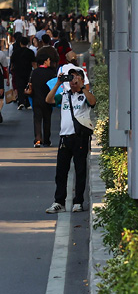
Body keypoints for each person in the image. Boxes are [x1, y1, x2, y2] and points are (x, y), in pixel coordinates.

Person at [45, 69, 96, 214]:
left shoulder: (85, 95)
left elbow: (93, 102)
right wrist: (58, 84)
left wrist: (82, 87)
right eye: (71, 78)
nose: (73, 81)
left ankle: (78, 201)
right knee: (61, 172)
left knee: (80, 171)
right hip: (65, 138)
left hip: (80, 137)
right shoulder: (64, 96)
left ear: (81, 79)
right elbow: (48, 100)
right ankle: (59, 202)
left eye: (76, 78)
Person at [30, 52, 57, 147]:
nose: (50, 62)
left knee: (37, 120)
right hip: (47, 100)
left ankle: (37, 139)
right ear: (45, 61)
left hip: (36, 99)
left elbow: (31, 84)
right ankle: (46, 140)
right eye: (49, 60)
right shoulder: (51, 73)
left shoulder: (34, 72)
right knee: (47, 120)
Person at [10, 36, 35, 110]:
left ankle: (21, 102)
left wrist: (11, 69)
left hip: (18, 71)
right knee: (27, 86)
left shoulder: (15, 52)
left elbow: (12, 62)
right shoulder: (30, 52)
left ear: (20, 43)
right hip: (28, 71)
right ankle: (27, 103)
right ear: (27, 43)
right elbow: (33, 63)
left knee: (20, 87)